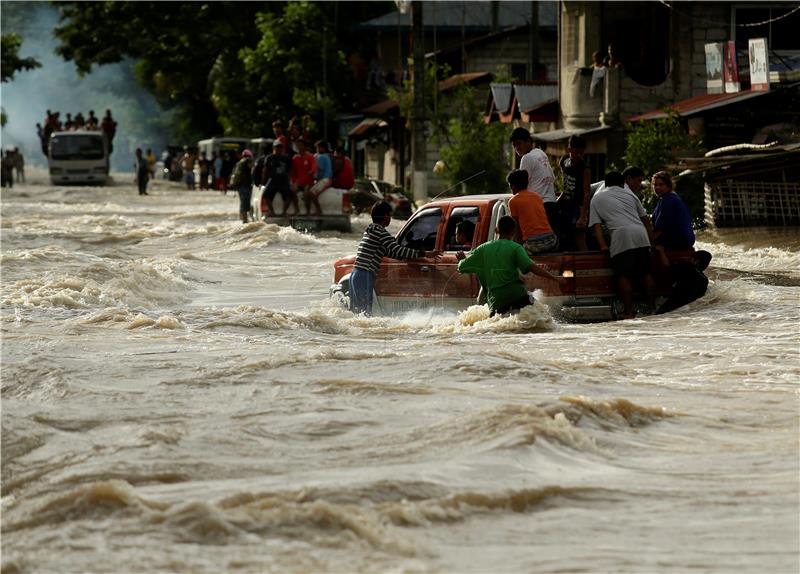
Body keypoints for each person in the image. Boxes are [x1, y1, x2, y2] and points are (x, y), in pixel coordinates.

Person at [456, 215, 563, 317]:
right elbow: (532, 267)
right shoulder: (516, 248)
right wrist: (555, 278)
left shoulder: (482, 249)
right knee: (539, 314)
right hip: (517, 296)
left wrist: (461, 260)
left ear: (497, 230)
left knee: (496, 324)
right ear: (513, 232)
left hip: (497, 301)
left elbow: (462, 267)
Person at [350, 201, 439, 315]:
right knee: (364, 313)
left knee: (357, 313)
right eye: (390, 215)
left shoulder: (370, 230)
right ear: (386, 216)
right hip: (365, 275)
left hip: (356, 274)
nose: (390, 219)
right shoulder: (381, 232)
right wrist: (424, 254)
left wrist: (406, 256)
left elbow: (390, 253)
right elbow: (398, 250)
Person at [588, 171, 656, 319]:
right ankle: (652, 308)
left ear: (605, 184)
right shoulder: (631, 195)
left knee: (624, 276)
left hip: (621, 236)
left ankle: (629, 311)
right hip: (641, 234)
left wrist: (603, 246)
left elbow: (596, 225)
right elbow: (646, 220)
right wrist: (652, 242)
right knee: (646, 273)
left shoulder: (597, 198)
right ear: (622, 183)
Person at [509, 127, 559, 232]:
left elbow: (520, 187)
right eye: (514, 145)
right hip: (552, 204)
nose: (516, 148)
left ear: (528, 141)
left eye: (518, 143)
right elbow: (552, 178)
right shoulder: (540, 153)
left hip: (539, 207)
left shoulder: (526, 158)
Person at [507, 169, 558, 255]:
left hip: (533, 244)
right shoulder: (537, 196)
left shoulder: (513, 201)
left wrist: (518, 248)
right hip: (552, 241)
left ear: (513, 186)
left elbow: (516, 228)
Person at [558, 135, 591, 250]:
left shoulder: (584, 168)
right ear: (569, 149)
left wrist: (583, 216)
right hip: (566, 206)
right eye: (576, 153)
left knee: (579, 239)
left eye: (581, 153)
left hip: (578, 207)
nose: (579, 156)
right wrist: (558, 201)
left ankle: (586, 265)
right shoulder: (564, 161)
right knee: (565, 238)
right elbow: (566, 185)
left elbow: (587, 193)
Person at [656, 250, 712, 315]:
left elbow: (666, 265)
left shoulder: (687, 267)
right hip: (688, 311)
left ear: (696, 261)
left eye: (691, 258)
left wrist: (661, 251)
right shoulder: (705, 280)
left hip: (673, 304)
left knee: (657, 316)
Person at [651, 171, 695, 251]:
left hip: (679, 240)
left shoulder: (668, 200)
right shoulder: (668, 198)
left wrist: (649, 241)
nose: (657, 187)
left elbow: (660, 228)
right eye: (655, 185)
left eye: (661, 185)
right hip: (685, 239)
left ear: (668, 186)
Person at [262, 140, 296, 217]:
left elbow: (290, 171)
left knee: (289, 195)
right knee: (265, 195)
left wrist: (290, 182)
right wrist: (263, 182)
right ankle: (272, 211)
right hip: (272, 180)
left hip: (283, 180)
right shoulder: (269, 158)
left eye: (280, 147)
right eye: (277, 147)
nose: (278, 149)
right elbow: (265, 170)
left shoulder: (286, 158)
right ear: (273, 147)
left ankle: (284, 212)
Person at [306, 140, 333, 215]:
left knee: (311, 193)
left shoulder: (321, 157)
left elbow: (317, 169)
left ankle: (319, 210)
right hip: (325, 179)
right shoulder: (326, 156)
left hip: (326, 179)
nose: (317, 149)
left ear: (323, 148)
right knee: (310, 193)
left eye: (318, 148)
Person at [290, 138, 316, 214]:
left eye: (301, 145)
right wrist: (294, 182)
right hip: (299, 182)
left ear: (305, 147)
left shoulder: (310, 156)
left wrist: (311, 171)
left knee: (306, 193)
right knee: (292, 191)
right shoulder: (295, 158)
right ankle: (297, 209)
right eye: (298, 146)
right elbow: (293, 172)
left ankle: (308, 211)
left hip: (308, 182)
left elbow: (314, 167)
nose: (299, 147)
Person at [231, 149, 254, 223]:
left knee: (242, 202)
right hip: (245, 185)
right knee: (246, 202)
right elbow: (252, 170)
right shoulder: (247, 161)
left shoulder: (239, 162)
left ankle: (242, 219)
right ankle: (245, 220)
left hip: (239, 185)